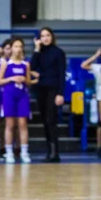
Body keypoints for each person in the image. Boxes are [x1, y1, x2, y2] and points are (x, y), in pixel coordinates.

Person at [31, 27, 66, 163]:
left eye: (48, 35)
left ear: (52, 37)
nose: (45, 38)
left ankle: (55, 153)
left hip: (53, 89)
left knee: (51, 120)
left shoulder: (58, 52)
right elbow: (32, 67)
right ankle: (49, 151)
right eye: (43, 36)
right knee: (45, 121)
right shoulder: (38, 53)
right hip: (40, 89)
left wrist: (60, 94)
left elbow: (61, 74)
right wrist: (36, 49)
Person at [0, 38, 31, 164]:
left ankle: (24, 152)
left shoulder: (26, 64)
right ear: (11, 48)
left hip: (22, 95)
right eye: (16, 46)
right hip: (9, 95)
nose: (18, 49)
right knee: (9, 124)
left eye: (20, 46)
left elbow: (29, 82)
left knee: (23, 124)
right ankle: (9, 152)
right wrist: (12, 78)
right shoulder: (5, 63)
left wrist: (24, 79)